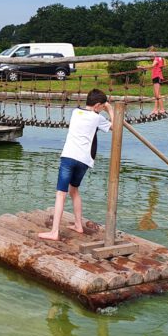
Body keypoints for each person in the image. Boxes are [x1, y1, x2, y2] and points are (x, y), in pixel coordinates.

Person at [38, 89, 114, 241]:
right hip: (85, 161)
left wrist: (104, 107)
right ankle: (78, 225)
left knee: (61, 193)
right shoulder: (97, 119)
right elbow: (115, 127)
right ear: (98, 106)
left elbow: (88, 113)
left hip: (69, 157)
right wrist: (111, 110)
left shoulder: (75, 112)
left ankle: (54, 232)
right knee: (74, 190)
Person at [150, 46, 165, 114]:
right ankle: (155, 109)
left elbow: (152, 66)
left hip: (157, 76)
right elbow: (162, 66)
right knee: (156, 94)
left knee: (158, 94)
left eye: (150, 53)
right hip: (156, 76)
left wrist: (142, 67)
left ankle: (162, 109)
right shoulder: (160, 58)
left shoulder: (156, 58)